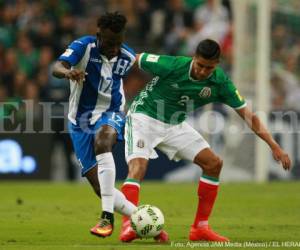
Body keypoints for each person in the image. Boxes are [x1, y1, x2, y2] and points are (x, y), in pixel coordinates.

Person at [120, 39, 292, 242]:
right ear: (194, 58)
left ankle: (200, 228)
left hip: (175, 124)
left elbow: (249, 116)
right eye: (200, 65)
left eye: (209, 68)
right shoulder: (172, 64)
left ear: (217, 64)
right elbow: (134, 58)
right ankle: (128, 226)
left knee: (213, 164)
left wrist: (275, 146)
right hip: (143, 117)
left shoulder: (220, 83)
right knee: (138, 168)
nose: (203, 72)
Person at [52, 12, 138, 238]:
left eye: (118, 43)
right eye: (110, 43)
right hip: (79, 122)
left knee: (103, 141)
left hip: (112, 111)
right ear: (99, 35)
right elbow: (56, 67)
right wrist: (68, 72)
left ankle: (106, 218)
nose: (114, 49)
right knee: (101, 188)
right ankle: (143, 219)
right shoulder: (83, 46)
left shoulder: (127, 56)